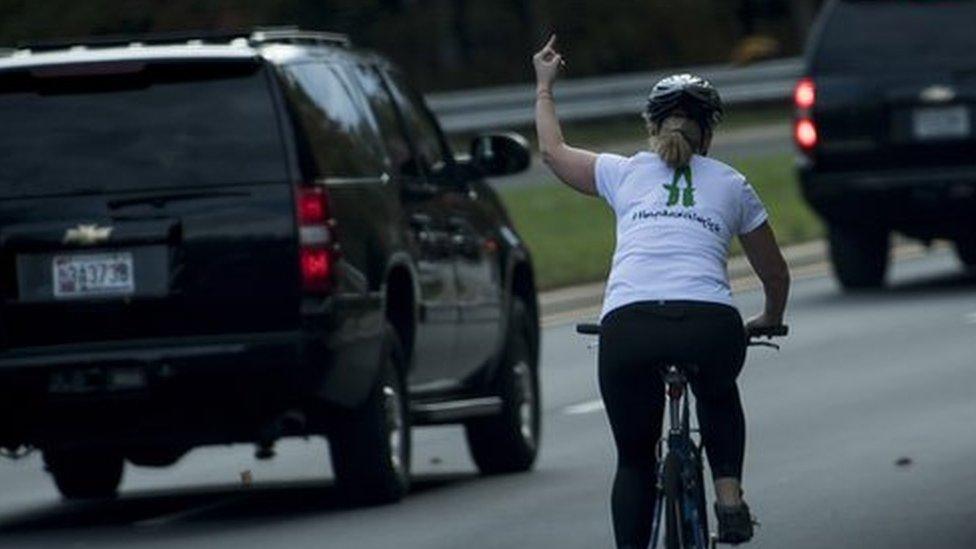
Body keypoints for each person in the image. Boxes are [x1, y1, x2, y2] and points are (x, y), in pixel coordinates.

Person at [532, 36, 790, 547]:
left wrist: (544, 87)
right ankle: (730, 496)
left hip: (629, 325)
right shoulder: (732, 183)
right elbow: (775, 273)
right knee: (717, 391)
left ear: (652, 126)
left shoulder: (622, 171)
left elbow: (552, 151)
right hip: (709, 323)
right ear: (709, 132)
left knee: (633, 459)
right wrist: (768, 317)